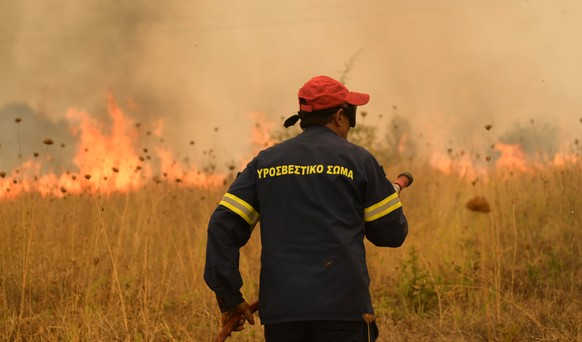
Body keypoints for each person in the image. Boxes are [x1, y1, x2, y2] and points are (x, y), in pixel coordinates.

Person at [204, 75, 409, 341]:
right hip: (344, 312)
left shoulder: (265, 163)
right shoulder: (359, 161)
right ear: (338, 116)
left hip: (284, 315)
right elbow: (391, 235)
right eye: (351, 116)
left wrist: (230, 297)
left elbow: (222, 226)